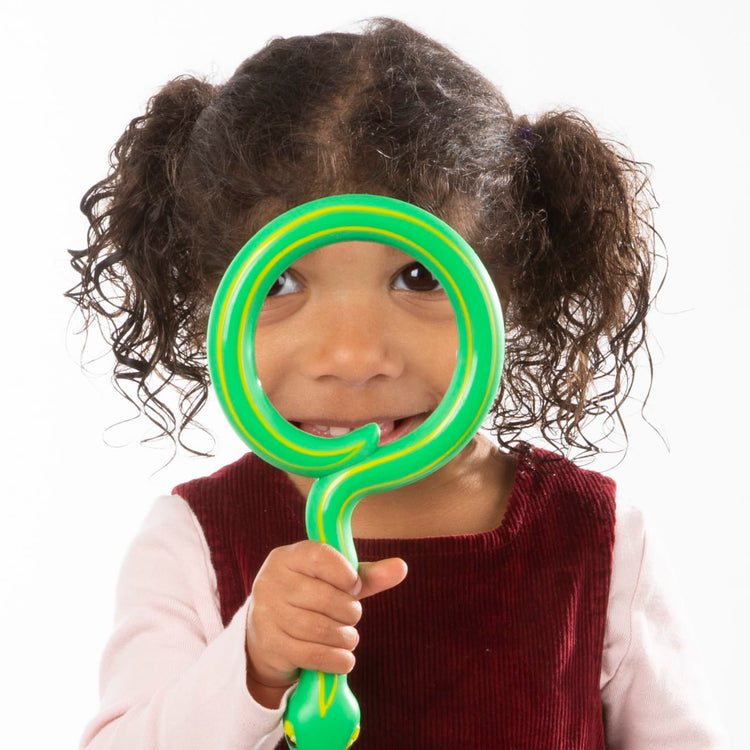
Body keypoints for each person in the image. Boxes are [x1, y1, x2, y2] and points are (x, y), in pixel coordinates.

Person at [68, 18, 724, 750]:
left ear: (504, 289)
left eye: (417, 278)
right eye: (282, 282)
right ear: (216, 301)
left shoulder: (598, 538)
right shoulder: (191, 541)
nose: (352, 356)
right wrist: (249, 665)